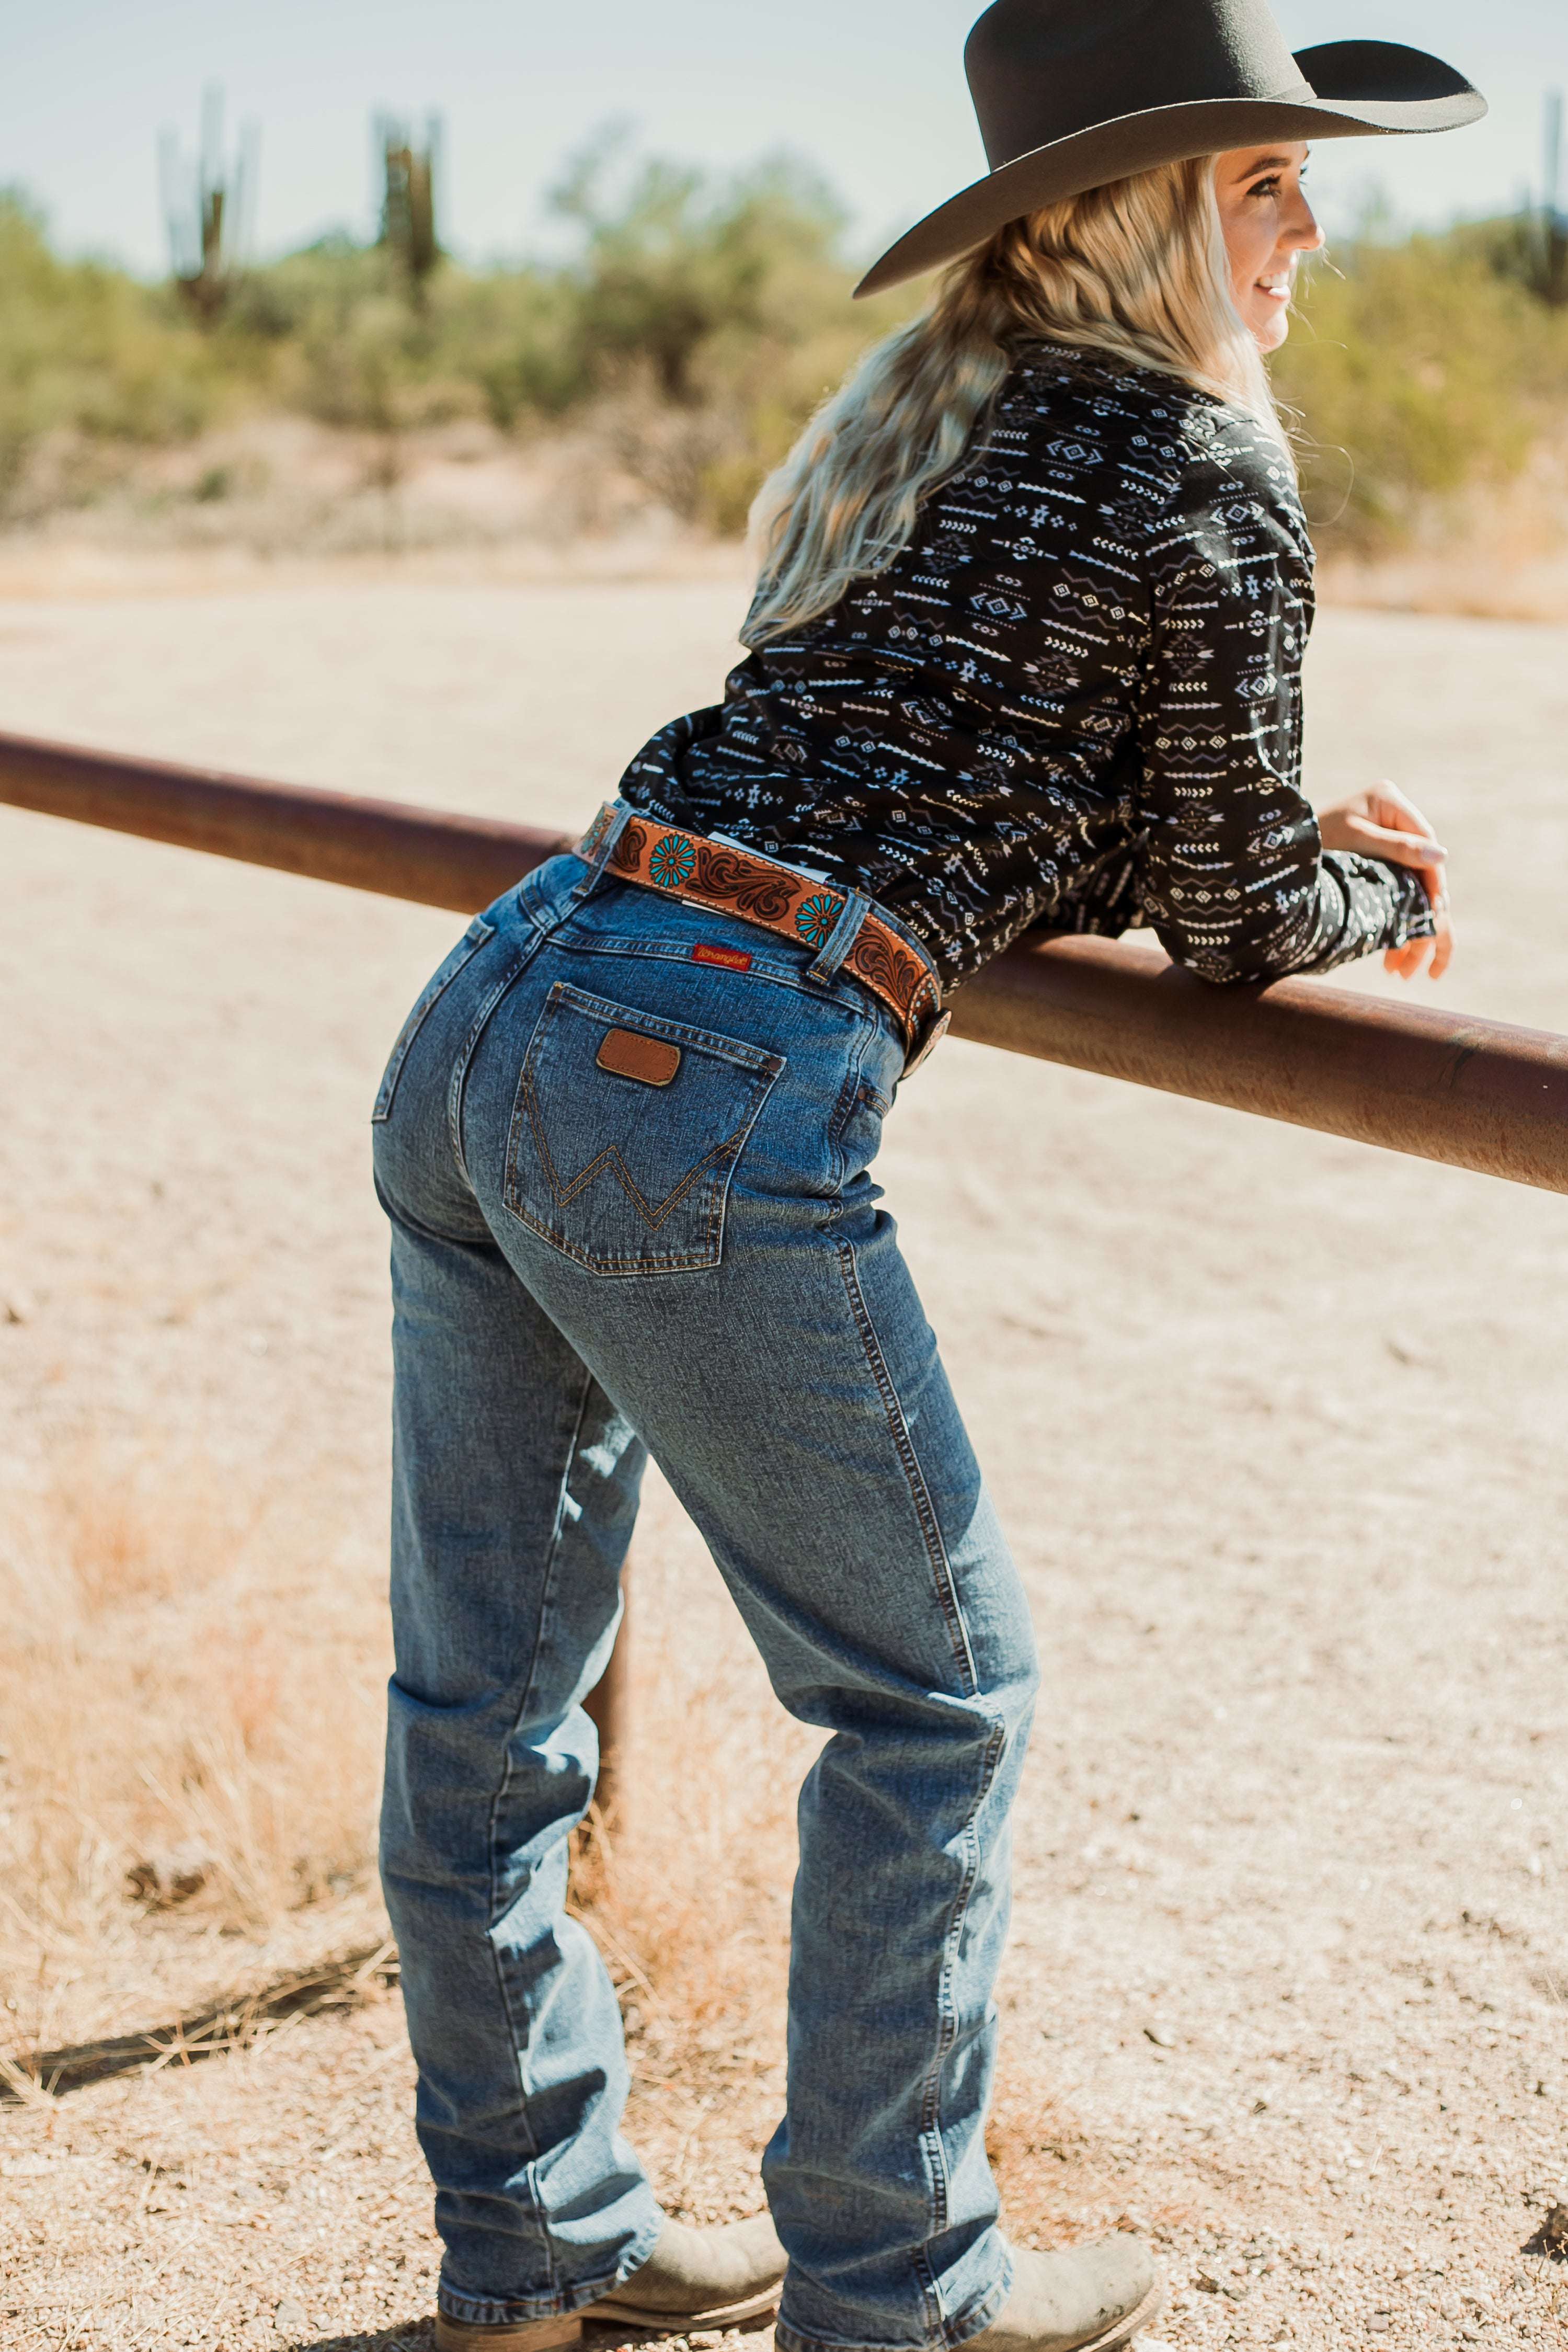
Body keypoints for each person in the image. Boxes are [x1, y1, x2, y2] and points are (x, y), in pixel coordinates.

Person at [370, 5, 1483, 2349]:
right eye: (1272, 186)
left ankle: (538, 2244)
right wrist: (1370, 886)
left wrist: (1247, 834)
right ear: (1153, 210)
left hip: (516, 979)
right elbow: (1233, 912)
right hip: (700, 1065)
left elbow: (969, 780)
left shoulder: (930, 425)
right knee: (938, 1704)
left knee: (484, 1707)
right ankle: (900, 2283)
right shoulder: (1203, 474)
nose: (1317, 233)